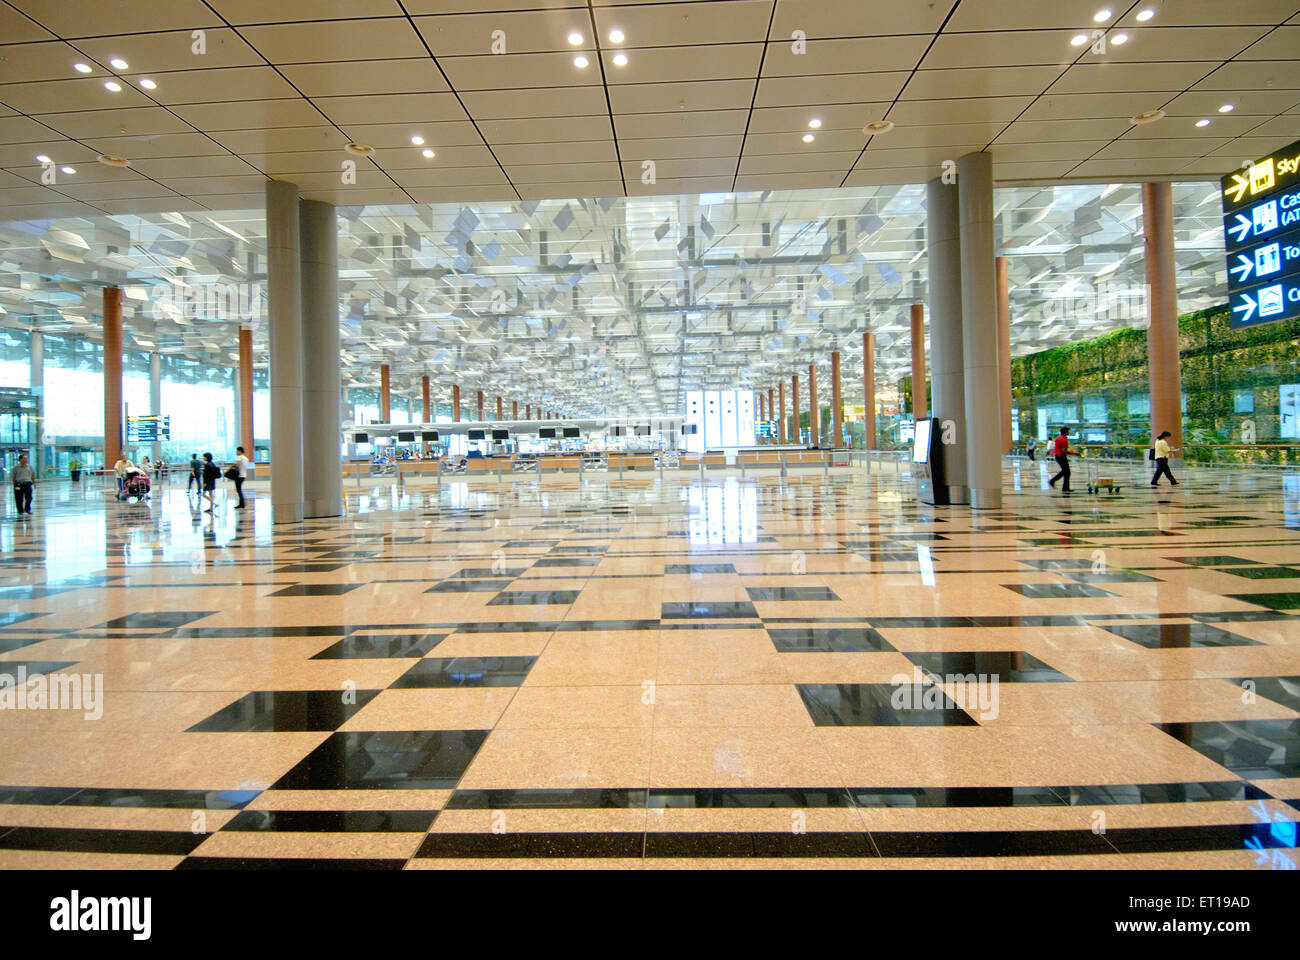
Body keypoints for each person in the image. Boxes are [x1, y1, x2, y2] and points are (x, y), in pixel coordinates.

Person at [1047, 427, 1080, 493]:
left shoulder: (1059, 438)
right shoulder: (1063, 439)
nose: (1069, 432)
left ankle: (1065, 487)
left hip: (1058, 456)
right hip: (1061, 456)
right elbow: (1064, 450)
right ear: (1065, 432)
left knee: (1066, 471)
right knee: (1066, 471)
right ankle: (1053, 481)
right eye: (1068, 431)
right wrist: (1074, 453)